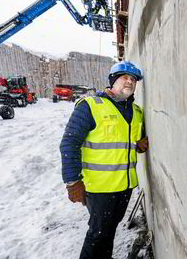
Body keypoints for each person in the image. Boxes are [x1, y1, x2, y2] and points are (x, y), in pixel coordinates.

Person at [60, 61, 149, 259]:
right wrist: (73, 181)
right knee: (97, 235)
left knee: (109, 231)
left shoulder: (136, 112)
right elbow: (69, 143)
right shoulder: (91, 106)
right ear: (112, 81)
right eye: (124, 77)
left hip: (125, 186)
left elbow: (121, 142)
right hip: (100, 188)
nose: (130, 81)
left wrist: (138, 145)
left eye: (133, 79)